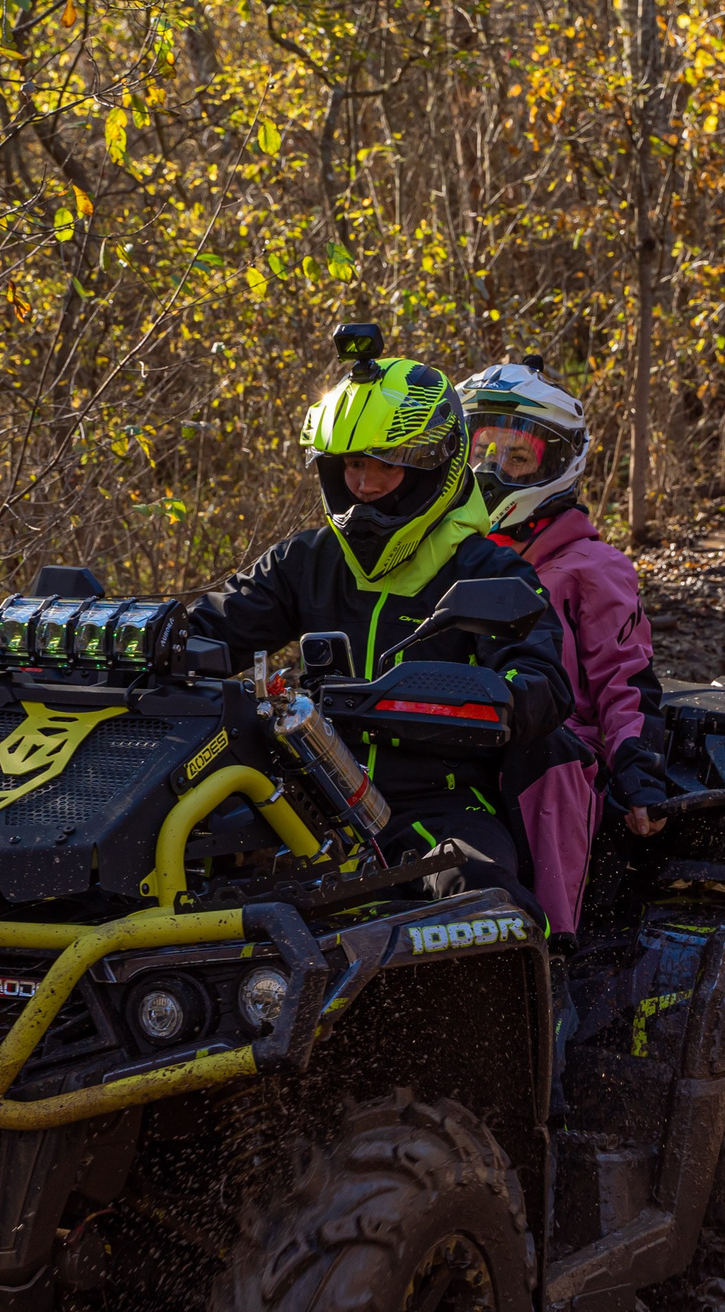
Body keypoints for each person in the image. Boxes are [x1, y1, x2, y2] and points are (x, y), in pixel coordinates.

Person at [186, 333, 571, 922]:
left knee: (489, 909)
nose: (363, 486)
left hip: (434, 809)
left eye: (384, 468)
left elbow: (540, 686)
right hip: (297, 808)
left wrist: (440, 700)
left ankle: (543, 1009)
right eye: (352, 465)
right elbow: (216, 628)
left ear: (429, 468)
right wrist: (136, 636)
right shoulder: (305, 561)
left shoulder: (489, 569)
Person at [457, 357, 671, 941]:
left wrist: (637, 770)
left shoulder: (592, 568)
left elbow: (626, 679)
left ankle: (553, 949)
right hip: (464, 726)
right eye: (482, 453)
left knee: (541, 752)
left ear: (556, 463)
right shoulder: (454, 556)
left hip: (561, 753)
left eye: (517, 456)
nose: (494, 470)